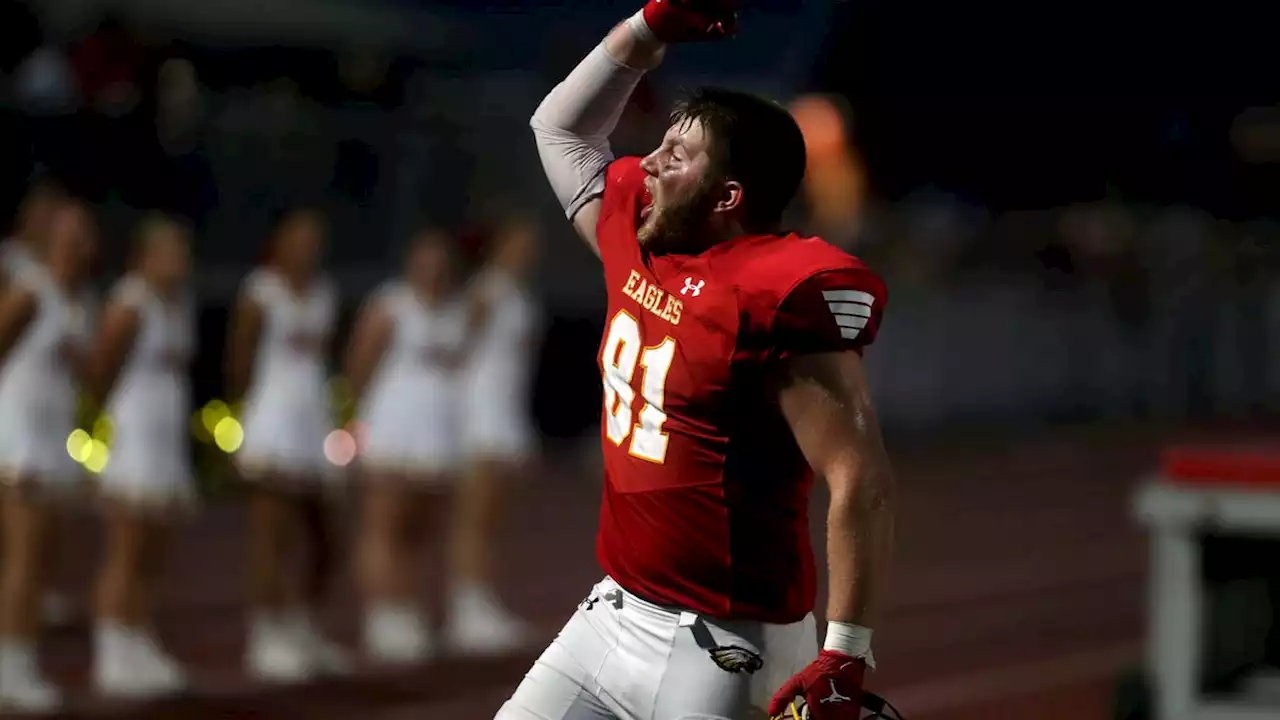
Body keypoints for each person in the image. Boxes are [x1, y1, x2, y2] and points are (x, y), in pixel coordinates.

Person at [500, 2, 895, 719]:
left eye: (675, 158)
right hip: (610, 614)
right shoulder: (637, 237)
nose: (646, 163)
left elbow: (858, 474)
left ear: (728, 197)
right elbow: (559, 125)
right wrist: (645, 30)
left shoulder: (769, 295)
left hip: (725, 646)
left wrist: (845, 649)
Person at [226, 207, 349, 682]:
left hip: (312, 424)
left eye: (315, 240)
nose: (308, 248)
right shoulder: (260, 292)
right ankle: (264, 635)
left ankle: (302, 624)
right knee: (271, 538)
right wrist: (248, 423)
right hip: (272, 425)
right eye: (298, 238)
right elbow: (239, 363)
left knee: (325, 539)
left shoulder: (324, 293)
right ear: (278, 242)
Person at [345, 229, 468, 663]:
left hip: (437, 436)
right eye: (424, 257)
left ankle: (407, 607)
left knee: (420, 529)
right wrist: (354, 423)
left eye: (439, 258)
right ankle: (381, 613)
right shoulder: (390, 305)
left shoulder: (456, 309)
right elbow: (359, 367)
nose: (432, 266)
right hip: (393, 429)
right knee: (385, 526)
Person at [89, 213, 194, 697]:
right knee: (126, 550)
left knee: (155, 550)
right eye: (170, 251)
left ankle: (138, 636)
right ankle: (111, 648)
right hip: (133, 440)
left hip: (166, 440)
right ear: (145, 255)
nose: (180, 261)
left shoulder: (178, 304)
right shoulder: (129, 304)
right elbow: (100, 371)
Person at [0, 199, 96, 711]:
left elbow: (88, 374)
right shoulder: (32, 291)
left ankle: (20, 661)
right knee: (23, 558)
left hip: (54, 439)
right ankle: (8, 670)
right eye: (71, 233)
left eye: (86, 234)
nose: (81, 244)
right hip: (18, 441)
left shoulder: (77, 300)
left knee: (42, 563)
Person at [448, 218, 539, 654]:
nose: (528, 248)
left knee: (493, 520)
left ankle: (482, 599)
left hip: (506, 413)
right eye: (519, 240)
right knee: (474, 518)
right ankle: (464, 607)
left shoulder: (518, 294)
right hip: (479, 413)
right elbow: (455, 350)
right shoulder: (484, 291)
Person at [0, 178, 79, 630]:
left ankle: (23, 641)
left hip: (53, 426)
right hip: (20, 430)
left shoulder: (66, 291)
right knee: (22, 549)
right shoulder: (26, 280)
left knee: (43, 544)